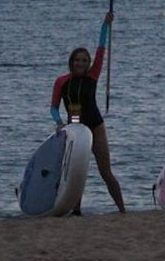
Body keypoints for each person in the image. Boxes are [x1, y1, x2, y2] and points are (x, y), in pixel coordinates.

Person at [50, 12, 126, 214]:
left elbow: (101, 50)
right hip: (75, 129)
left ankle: (122, 210)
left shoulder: (93, 76)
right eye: (77, 60)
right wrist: (59, 122)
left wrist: (105, 25)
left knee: (105, 172)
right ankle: (76, 211)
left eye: (85, 60)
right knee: (76, 174)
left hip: (95, 126)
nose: (81, 63)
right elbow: (53, 107)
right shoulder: (61, 81)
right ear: (71, 62)